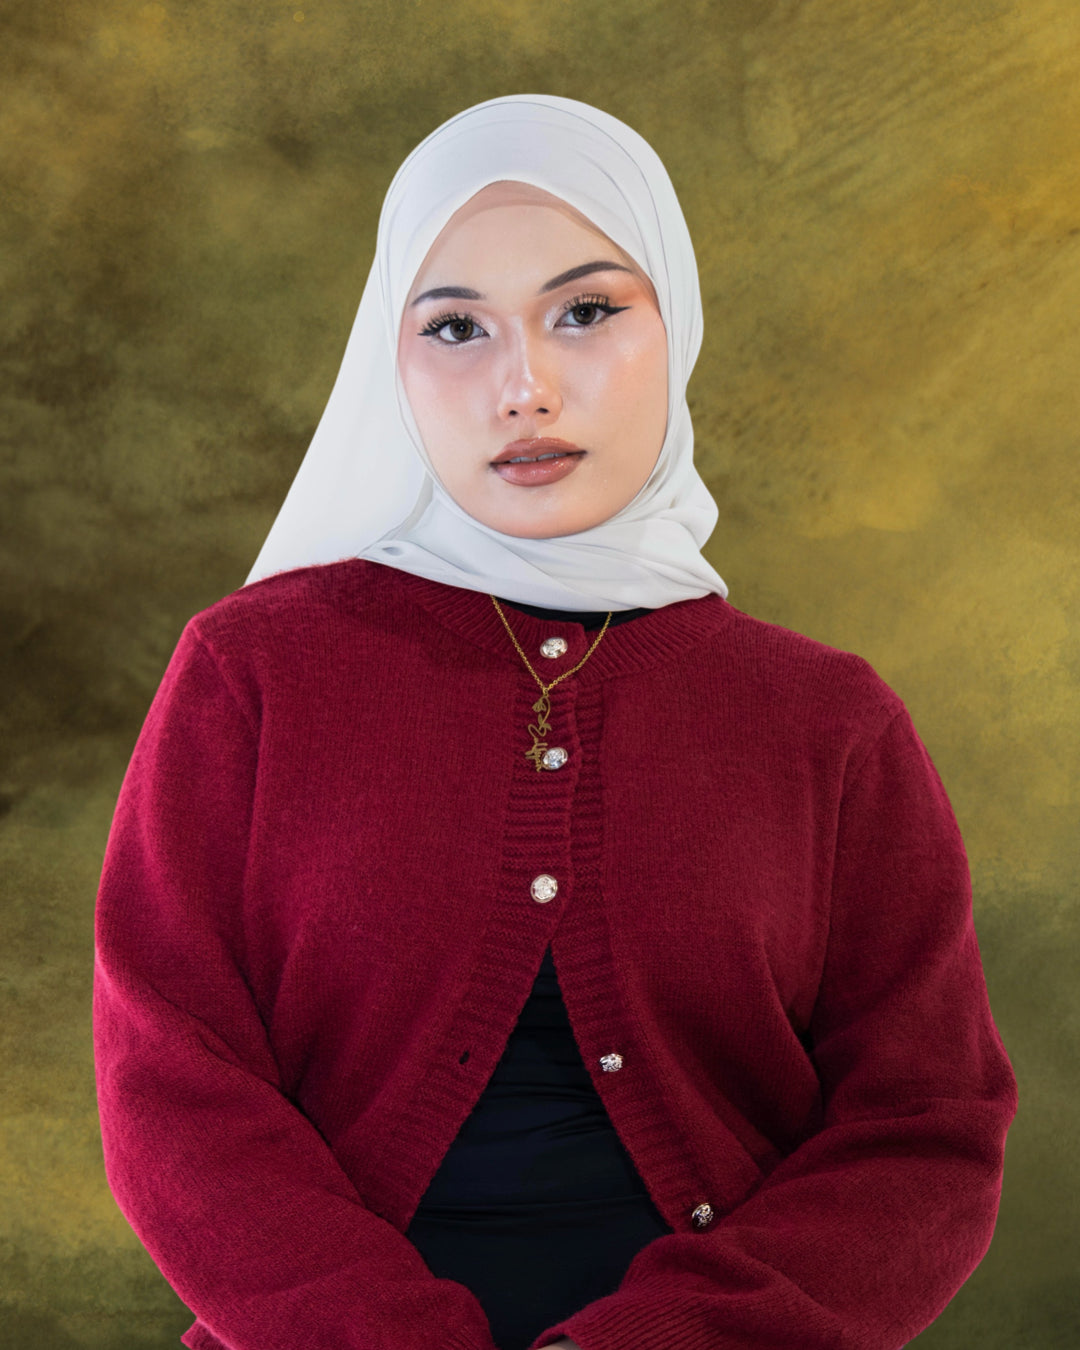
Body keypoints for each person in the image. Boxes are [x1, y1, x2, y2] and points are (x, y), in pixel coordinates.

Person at [93, 95, 1018, 1350]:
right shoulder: (252, 673)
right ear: (389, 364)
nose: (523, 387)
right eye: (456, 328)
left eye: (585, 311)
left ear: (676, 324)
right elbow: (171, 1081)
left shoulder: (828, 723)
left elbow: (924, 1130)